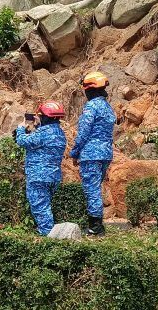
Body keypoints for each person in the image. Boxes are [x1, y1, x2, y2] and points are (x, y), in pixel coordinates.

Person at [69, 71, 117, 236]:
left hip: (90, 154)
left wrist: (74, 152)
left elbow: (83, 132)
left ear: (89, 90)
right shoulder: (108, 108)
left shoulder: (91, 107)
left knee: (92, 190)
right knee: (96, 188)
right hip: (105, 154)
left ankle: (95, 228)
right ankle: (97, 225)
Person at [14, 101, 68, 236]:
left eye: (39, 115)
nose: (36, 117)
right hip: (53, 176)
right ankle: (47, 232)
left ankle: (47, 236)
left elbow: (22, 141)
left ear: (45, 116)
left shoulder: (43, 133)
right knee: (45, 206)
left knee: (40, 208)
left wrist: (21, 128)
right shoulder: (60, 133)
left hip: (39, 176)